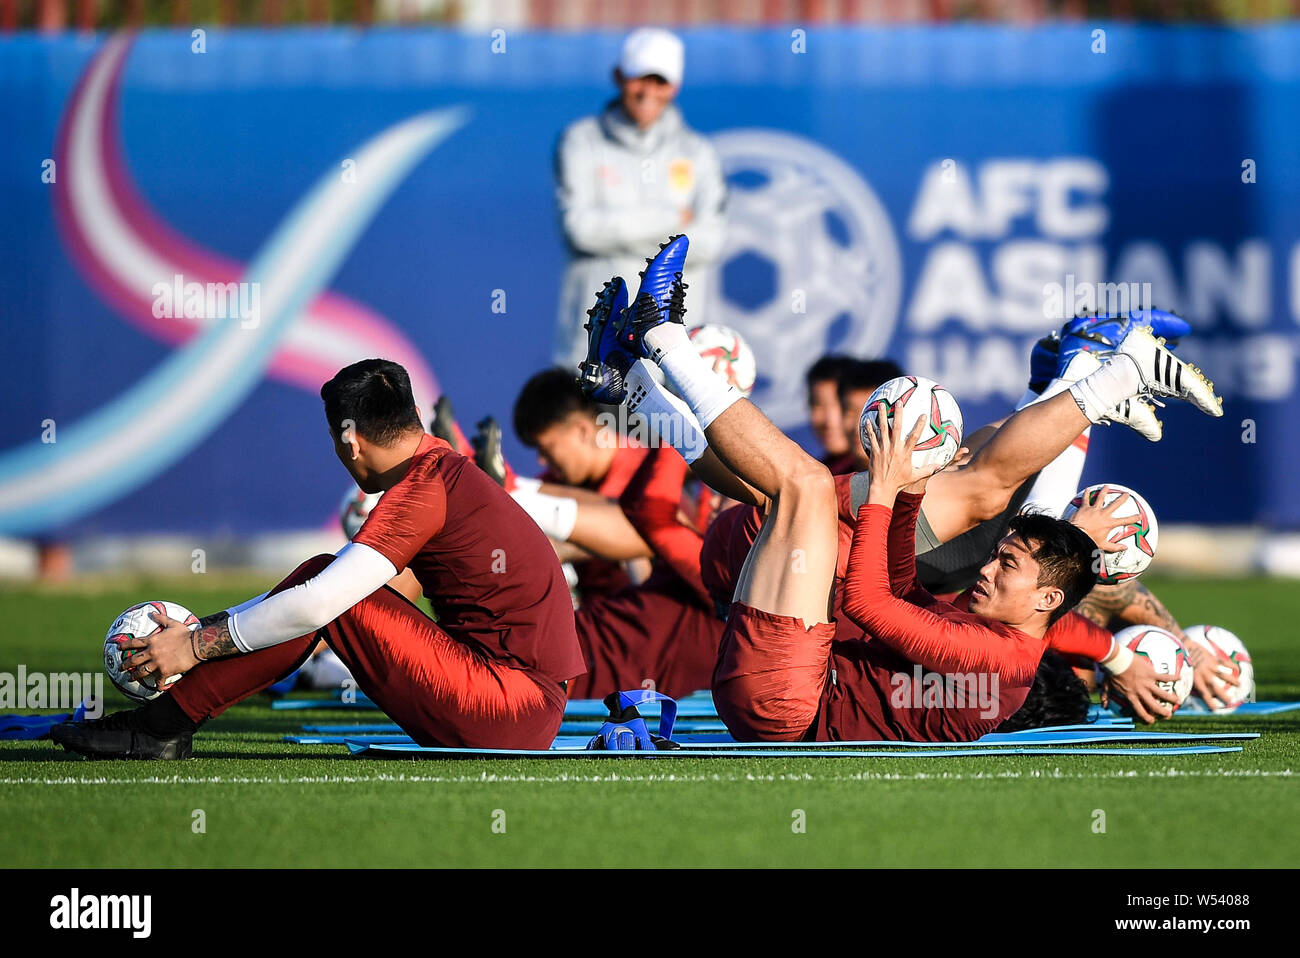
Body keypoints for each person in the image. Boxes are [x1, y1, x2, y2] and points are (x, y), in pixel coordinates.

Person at [583, 234, 1223, 742]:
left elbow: (870, 602)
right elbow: (901, 588)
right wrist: (904, 491)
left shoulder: (997, 658)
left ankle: (657, 339)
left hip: (782, 693)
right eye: (1001, 558)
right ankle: (634, 384)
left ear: (1049, 595)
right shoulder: (1000, 627)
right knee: (970, 486)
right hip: (784, 645)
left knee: (919, 487)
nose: (990, 568)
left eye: (1006, 565)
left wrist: (891, 489)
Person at [53, 360, 585, 759]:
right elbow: (339, 600)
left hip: (512, 708)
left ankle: (159, 729)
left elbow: (318, 604)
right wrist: (209, 633)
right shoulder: (438, 469)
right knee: (322, 584)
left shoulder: (421, 491)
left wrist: (195, 644)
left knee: (321, 586)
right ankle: (161, 724)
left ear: (351, 439)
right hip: (519, 700)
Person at [553, 27, 726, 369]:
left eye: (659, 81)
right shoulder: (580, 141)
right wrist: (674, 219)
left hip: (672, 357)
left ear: (674, 87)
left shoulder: (698, 153)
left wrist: (616, 232)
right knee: (592, 424)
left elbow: (711, 241)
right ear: (619, 76)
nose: (648, 91)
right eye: (639, 78)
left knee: (663, 425)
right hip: (592, 351)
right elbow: (580, 229)